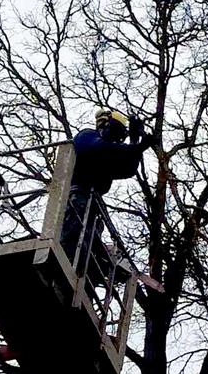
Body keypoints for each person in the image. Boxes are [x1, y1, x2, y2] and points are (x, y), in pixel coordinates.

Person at [59, 109, 156, 282]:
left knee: (87, 241)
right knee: (73, 234)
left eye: (119, 137)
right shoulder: (87, 136)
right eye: (115, 132)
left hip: (92, 204)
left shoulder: (109, 153)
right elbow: (98, 148)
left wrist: (135, 140)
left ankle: (82, 272)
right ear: (105, 126)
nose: (116, 140)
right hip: (76, 197)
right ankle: (65, 263)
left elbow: (128, 168)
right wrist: (137, 147)